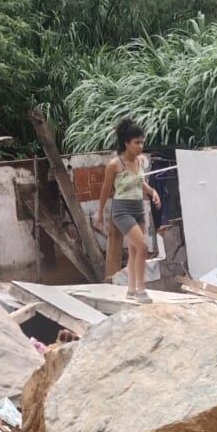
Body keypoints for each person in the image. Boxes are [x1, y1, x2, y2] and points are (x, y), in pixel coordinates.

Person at [95, 118, 161, 301]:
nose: (141, 146)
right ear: (126, 143)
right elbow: (106, 189)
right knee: (143, 246)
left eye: (142, 142)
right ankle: (141, 289)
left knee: (134, 250)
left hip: (138, 207)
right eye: (137, 142)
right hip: (121, 210)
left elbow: (140, 183)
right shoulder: (115, 165)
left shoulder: (140, 161)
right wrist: (100, 212)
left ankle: (131, 289)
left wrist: (152, 192)